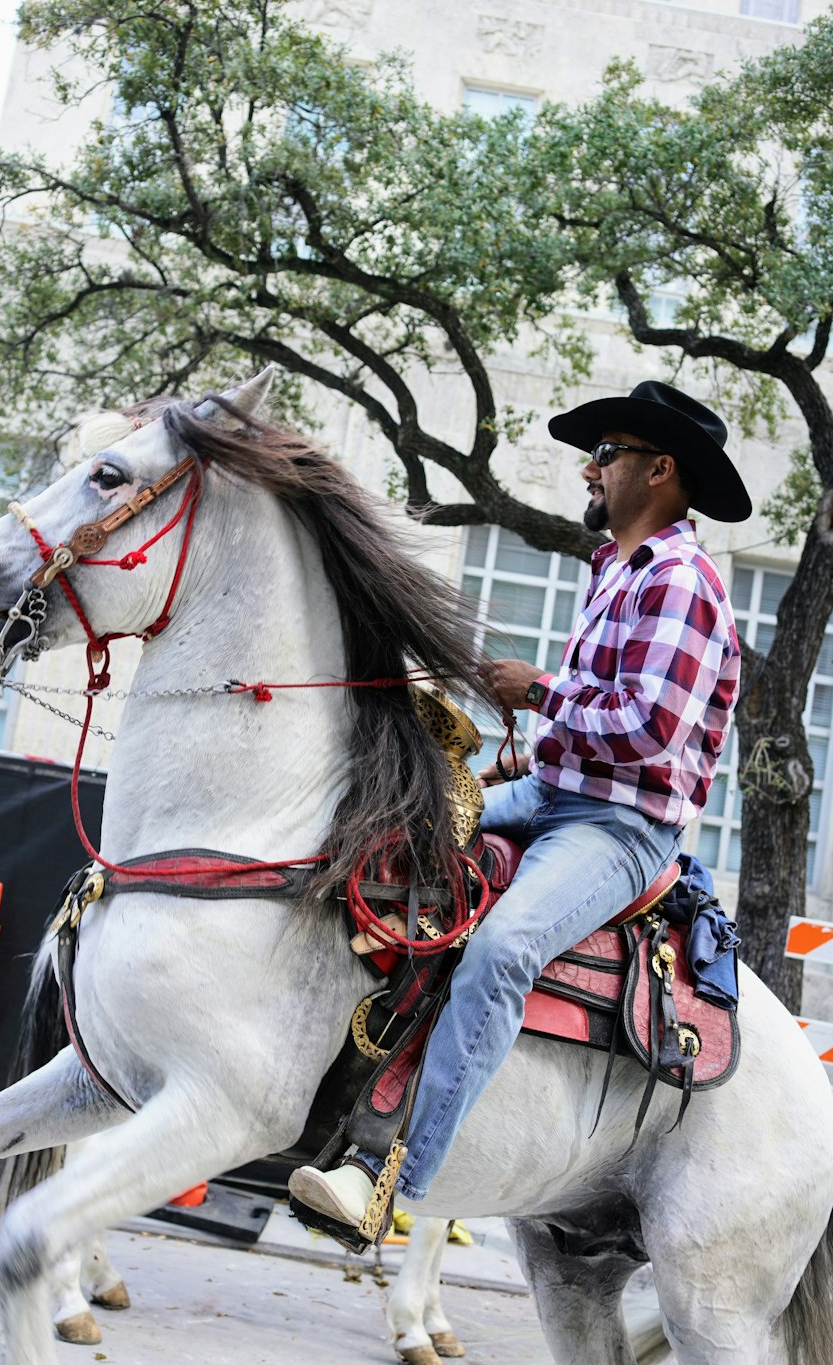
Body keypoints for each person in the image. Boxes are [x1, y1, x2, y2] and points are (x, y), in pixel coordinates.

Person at [289, 380, 751, 1234]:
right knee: (382, 835)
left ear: (659, 469)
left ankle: (392, 1176)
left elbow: (650, 727)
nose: (588, 468)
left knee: (505, 947)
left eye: (604, 453)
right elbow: (598, 715)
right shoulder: (616, 572)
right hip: (549, 792)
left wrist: (539, 689)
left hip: (621, 828)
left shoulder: (682, 581)